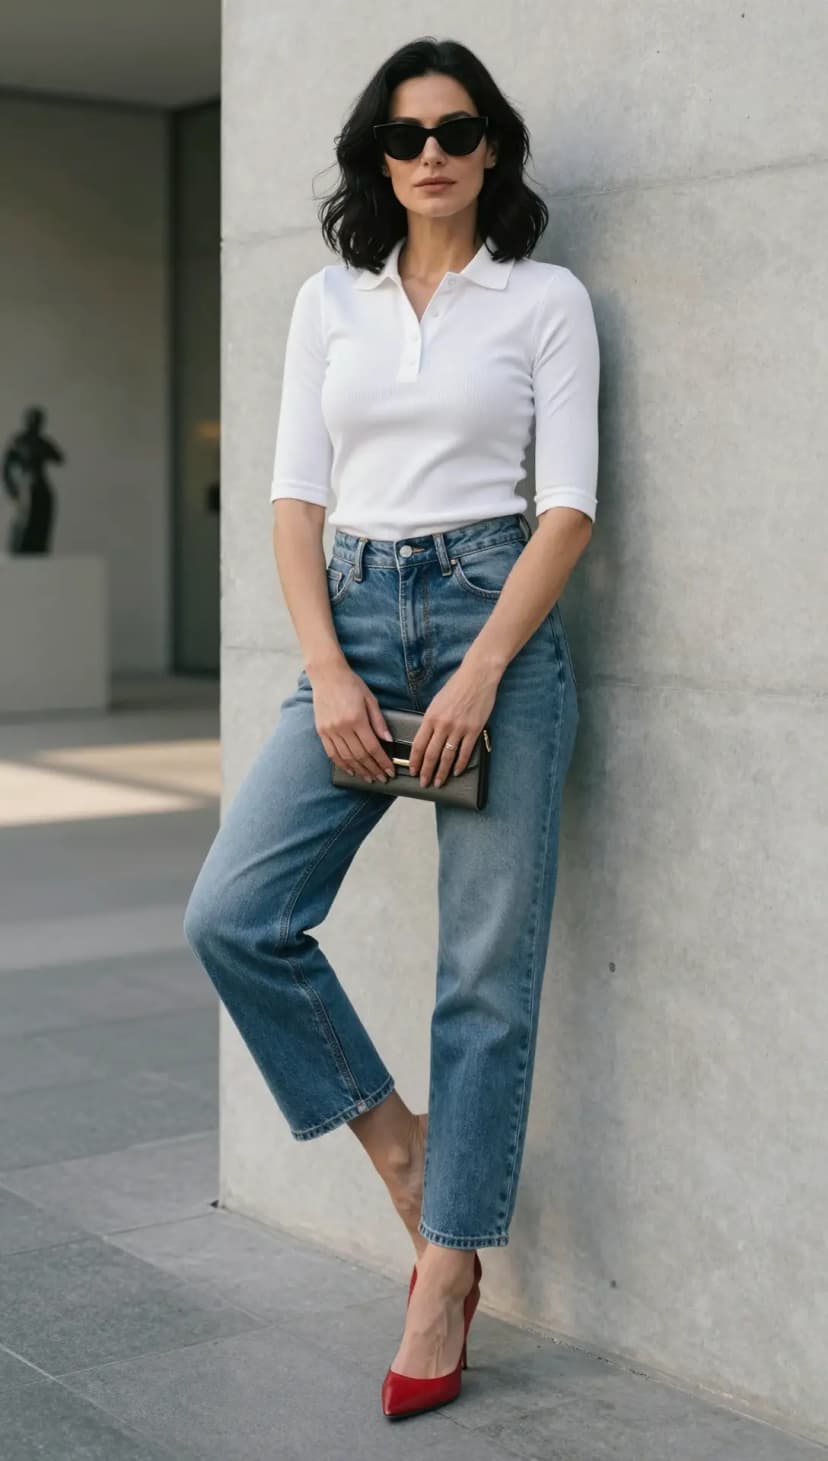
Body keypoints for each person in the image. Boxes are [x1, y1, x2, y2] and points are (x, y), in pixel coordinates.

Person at [183, 35, 599, 1420]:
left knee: (483, 971)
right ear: (379, 155)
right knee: (235, 913)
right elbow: (295, 499)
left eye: (458, 129)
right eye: (406, 133)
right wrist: (329, 666)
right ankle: (407, 1154)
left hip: (497, 619)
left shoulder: (544, 301)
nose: (432, 152)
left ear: (494, 150)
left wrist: (486, 667)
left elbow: (569, 509)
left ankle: (446, 1270)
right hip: (352, 619)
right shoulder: (330, 302)